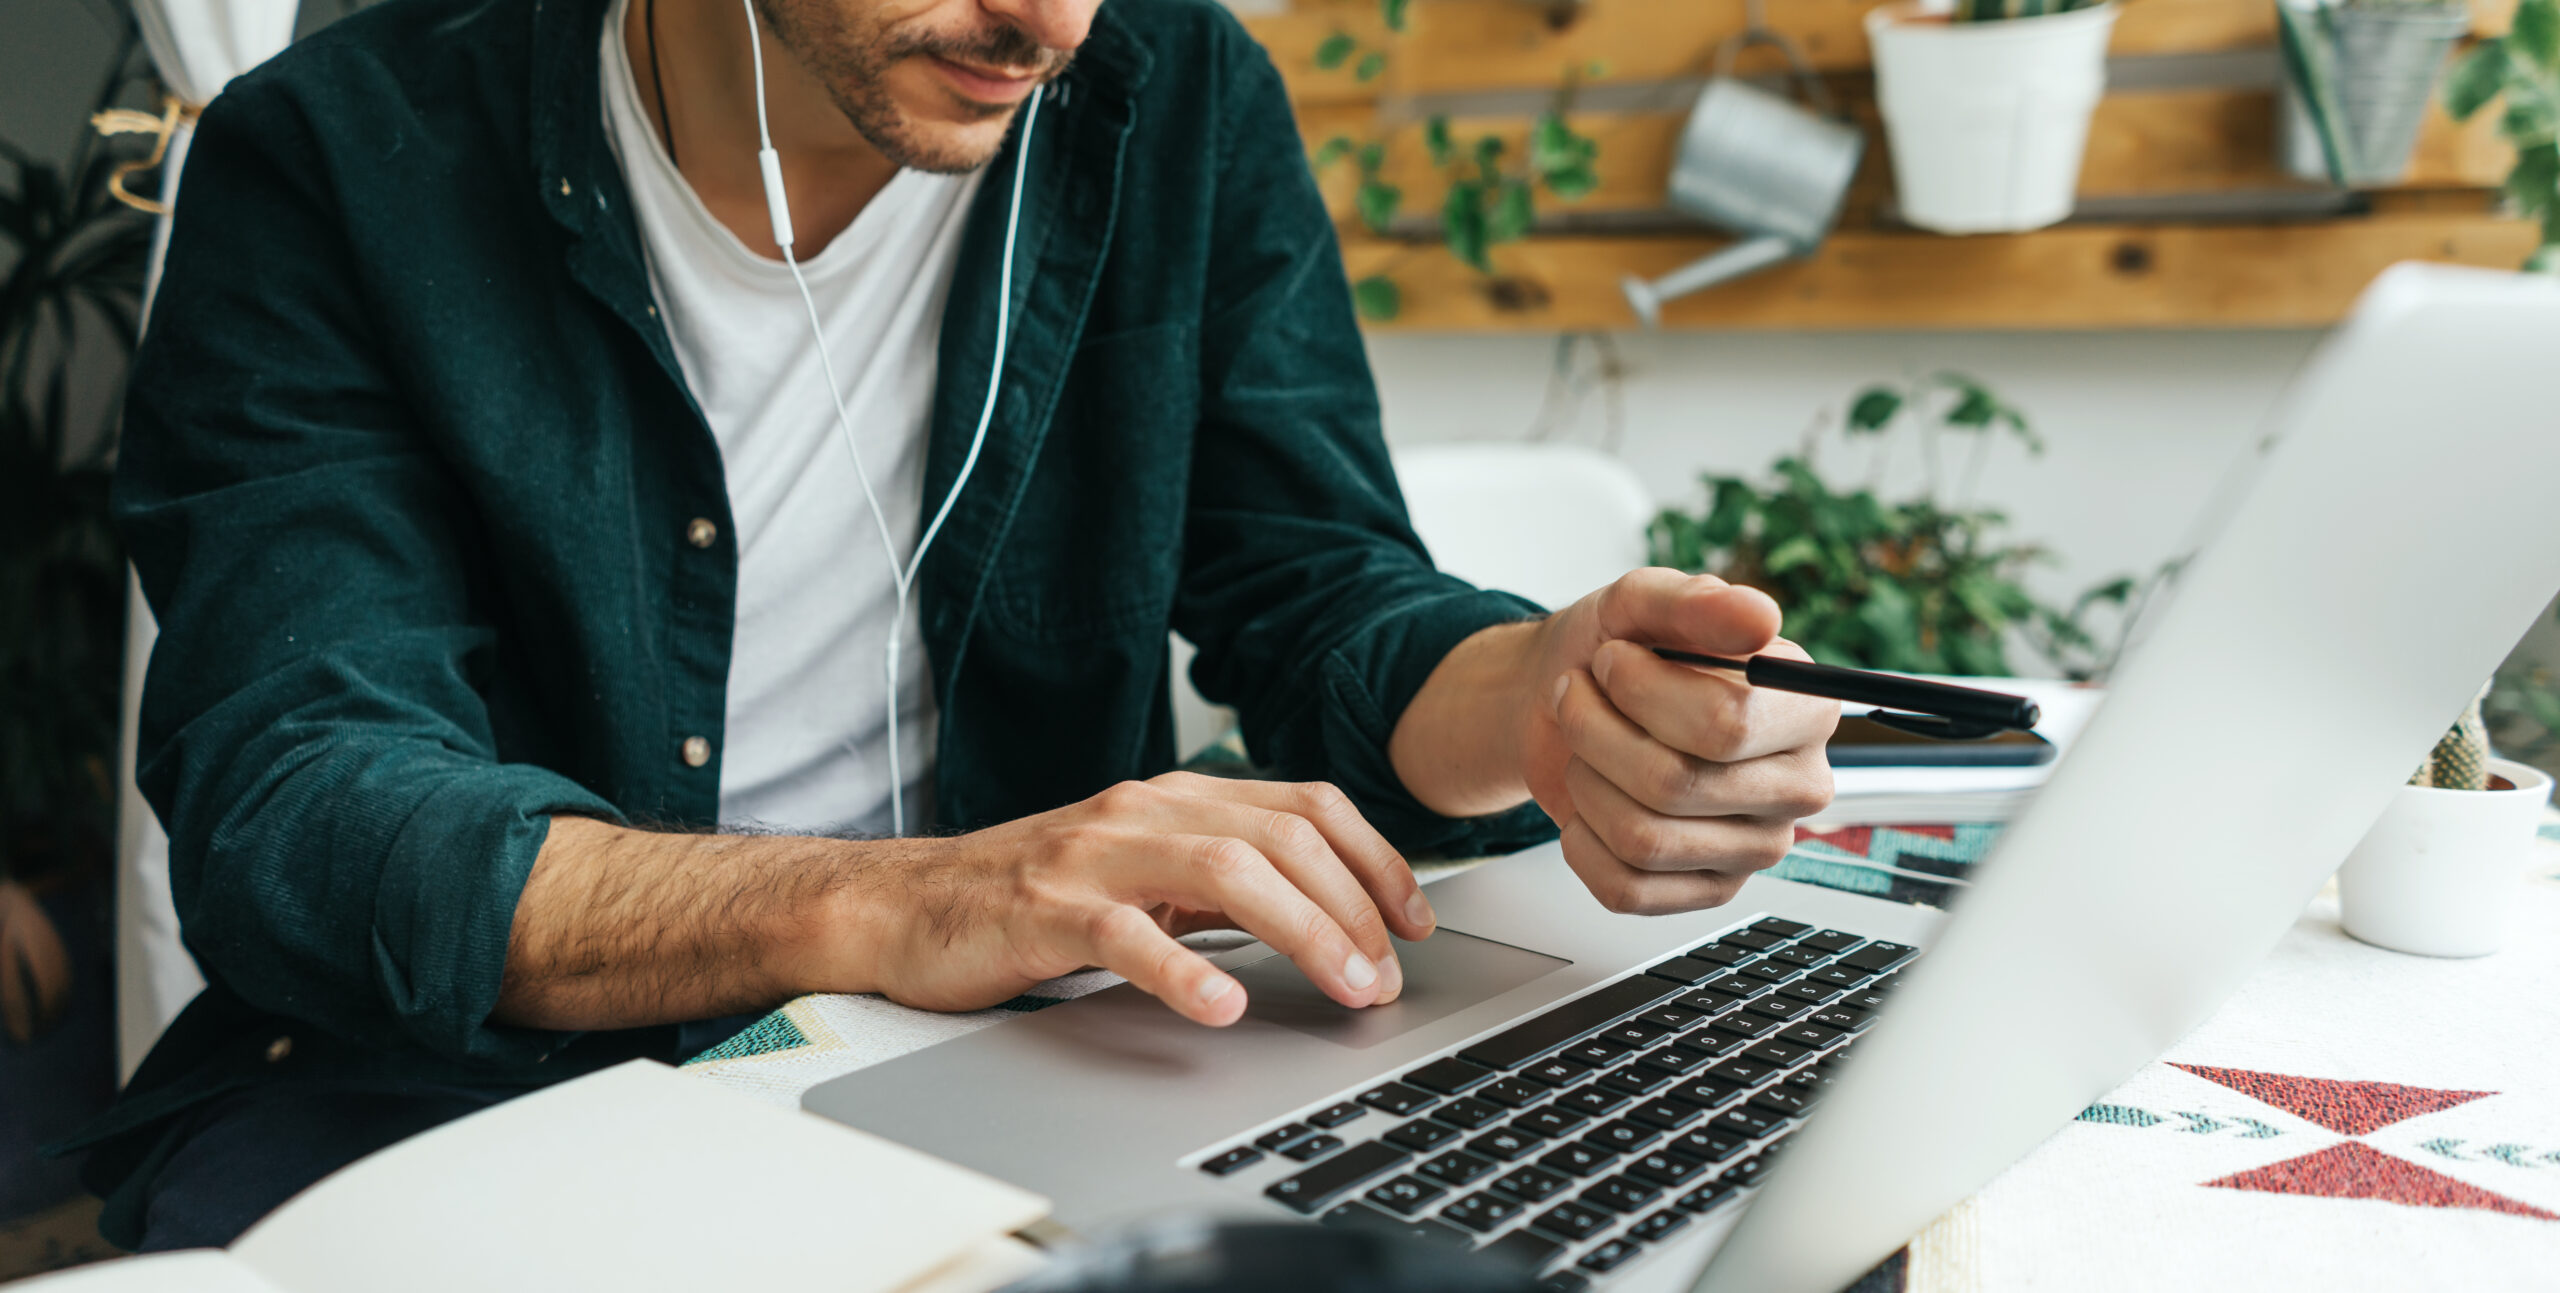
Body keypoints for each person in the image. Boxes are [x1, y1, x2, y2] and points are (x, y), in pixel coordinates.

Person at [81, 0, 1838, 1254]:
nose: (1048, 23)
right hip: (454, 1080)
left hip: (1026, 1050)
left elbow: (1319, 593)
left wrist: (1538, 694)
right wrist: (902, 898)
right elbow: (305, 807)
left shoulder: (1176, 89)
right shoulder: (335, 158)